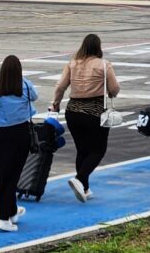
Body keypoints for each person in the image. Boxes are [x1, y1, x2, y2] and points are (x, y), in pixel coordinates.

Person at [50, 33, 120, 203]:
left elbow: (60, 87)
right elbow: (115, 88)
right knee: (98, 150)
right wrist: (110, 92)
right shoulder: (104, 65)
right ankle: (80, 179)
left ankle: (85, 189)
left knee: (82, 150)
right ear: (98, 47)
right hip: (94, 112)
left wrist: (56, 104)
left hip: (73, 112)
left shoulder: (72, 63)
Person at [0, 55, 37, 232]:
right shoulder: (25, 86)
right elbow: (35, 96)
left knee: (4, 178)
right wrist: (22, 80)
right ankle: (5, 217)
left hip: (3, 136)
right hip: (22, 134)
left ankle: (8, 214)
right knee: (13, 176)